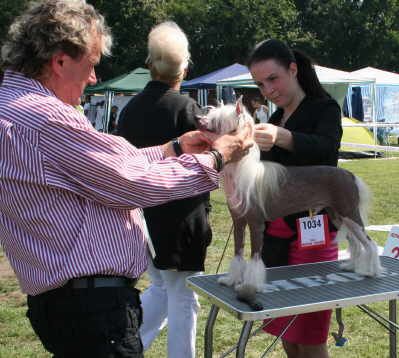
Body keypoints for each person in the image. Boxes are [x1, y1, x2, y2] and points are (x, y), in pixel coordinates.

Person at [0, 1, 251, 357]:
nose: (93, 79)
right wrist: (217, 157)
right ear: (59, 61)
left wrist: (174, 149)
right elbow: (129, 184)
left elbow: (102, 168)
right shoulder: (44, 117)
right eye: (91, 66)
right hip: (91, 309)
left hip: (71, 303)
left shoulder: (16, 107)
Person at [116, 22, 208, 357]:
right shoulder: (187, 110)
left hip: (143, 218)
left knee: (161, 286)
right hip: (181, 220)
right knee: (183, 296)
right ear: (183, 66)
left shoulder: (128, 111)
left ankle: (129, 345)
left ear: (150, 65)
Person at [247, 39, 342, 358]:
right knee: (286, 332)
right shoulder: (273, 119)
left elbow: (327, 151)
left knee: (311, 337)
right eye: (260, 84)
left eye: (272, 79)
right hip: (276, 237)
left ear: (293, 69)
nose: (268, 90)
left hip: (313, 235)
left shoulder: (325, 108)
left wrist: (282, 138)